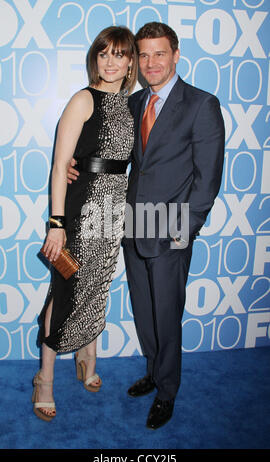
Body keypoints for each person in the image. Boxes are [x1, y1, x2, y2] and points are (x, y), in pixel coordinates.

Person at [68, 22, 225, 429]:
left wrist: (184, 228)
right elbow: (113, 151)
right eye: (144, 54)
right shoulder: (134, 103)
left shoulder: (201, 104)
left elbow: (208, 179)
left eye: (159, 53)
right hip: (132, 224)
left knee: (167, 312)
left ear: (175, 55)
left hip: (170, 228)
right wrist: (76, 165)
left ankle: (168, 390)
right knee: (144, 310)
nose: (151, 62)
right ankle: (154, 373)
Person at [32, 26, 138, 422]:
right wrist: (56, 223)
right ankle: (44, 378)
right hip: (79, 211)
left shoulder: (132, 104)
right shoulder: (82, 99)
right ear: (95, 58)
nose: (110, 62)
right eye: (103, 54)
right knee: (65, 286)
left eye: (119, 55)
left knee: (97, 283)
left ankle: (86, 356)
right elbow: (61, 166)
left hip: (114, 211)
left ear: (130, 62)